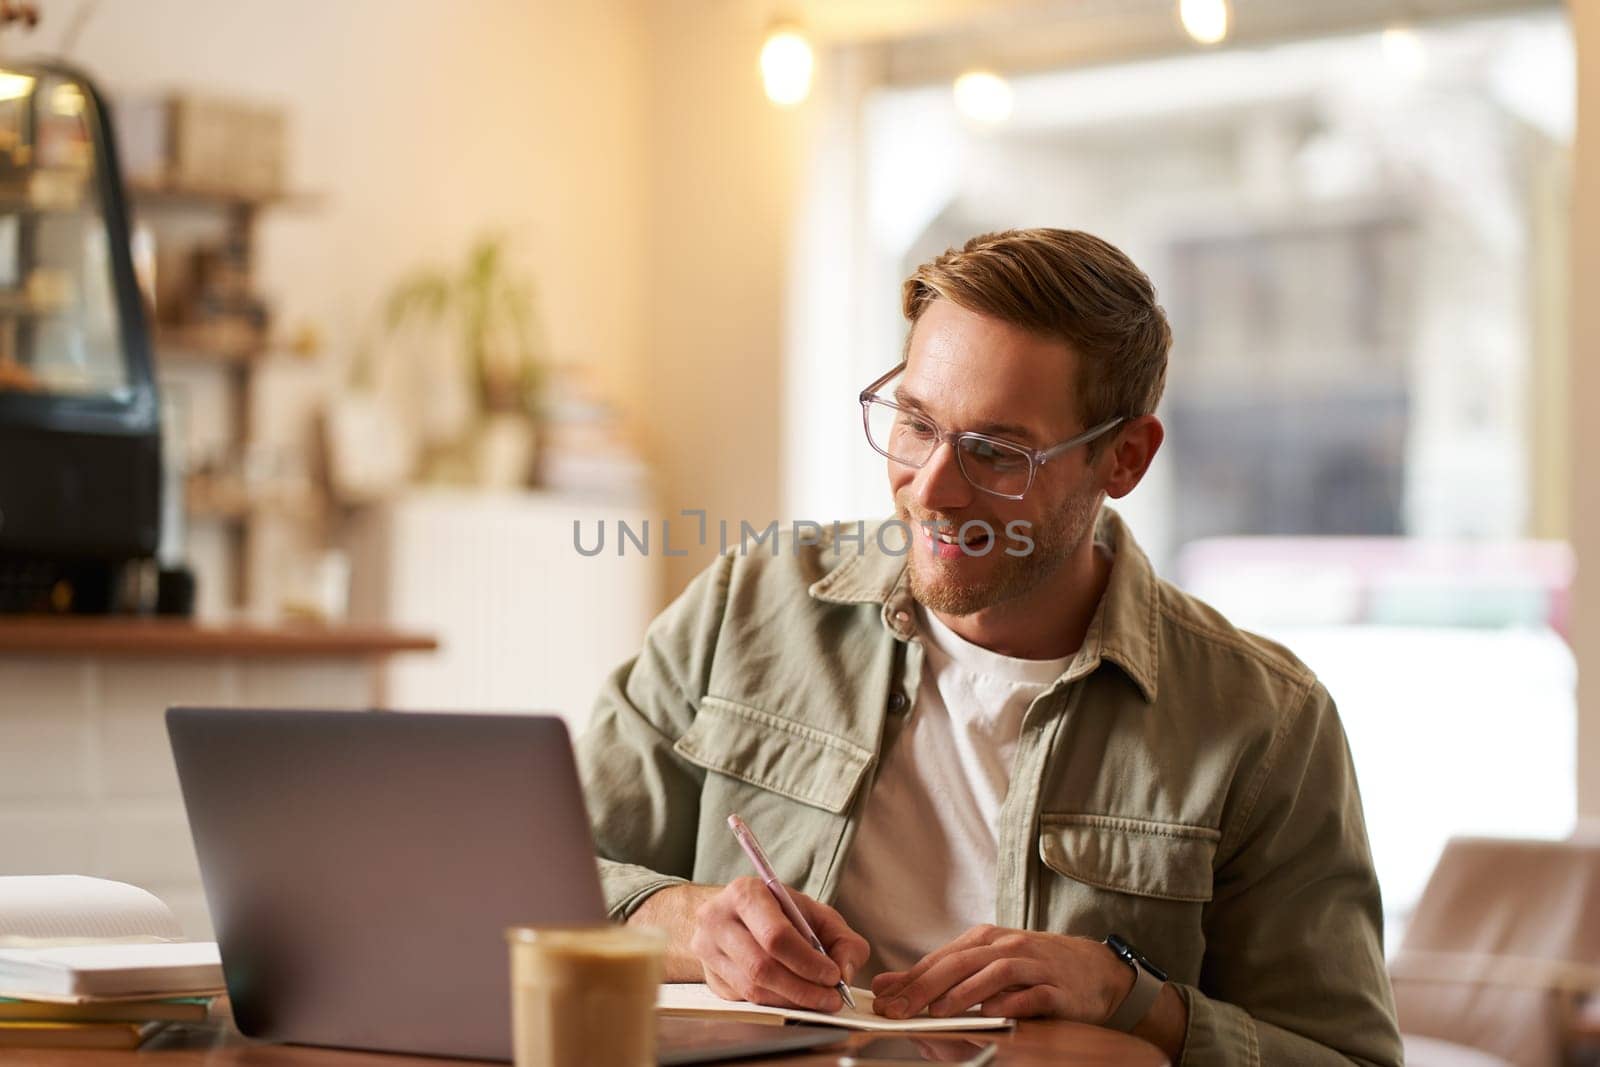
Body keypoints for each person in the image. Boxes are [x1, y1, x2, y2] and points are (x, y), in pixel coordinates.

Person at [575, 228, 1402, 1065]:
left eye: (997, 453)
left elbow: (1347, 1057)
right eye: (915, 423)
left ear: (1125, 457)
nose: (932, 488)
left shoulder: (1266, 722)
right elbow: (542, 878)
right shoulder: (750, 604)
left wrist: (1132, 999)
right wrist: (685, 921)